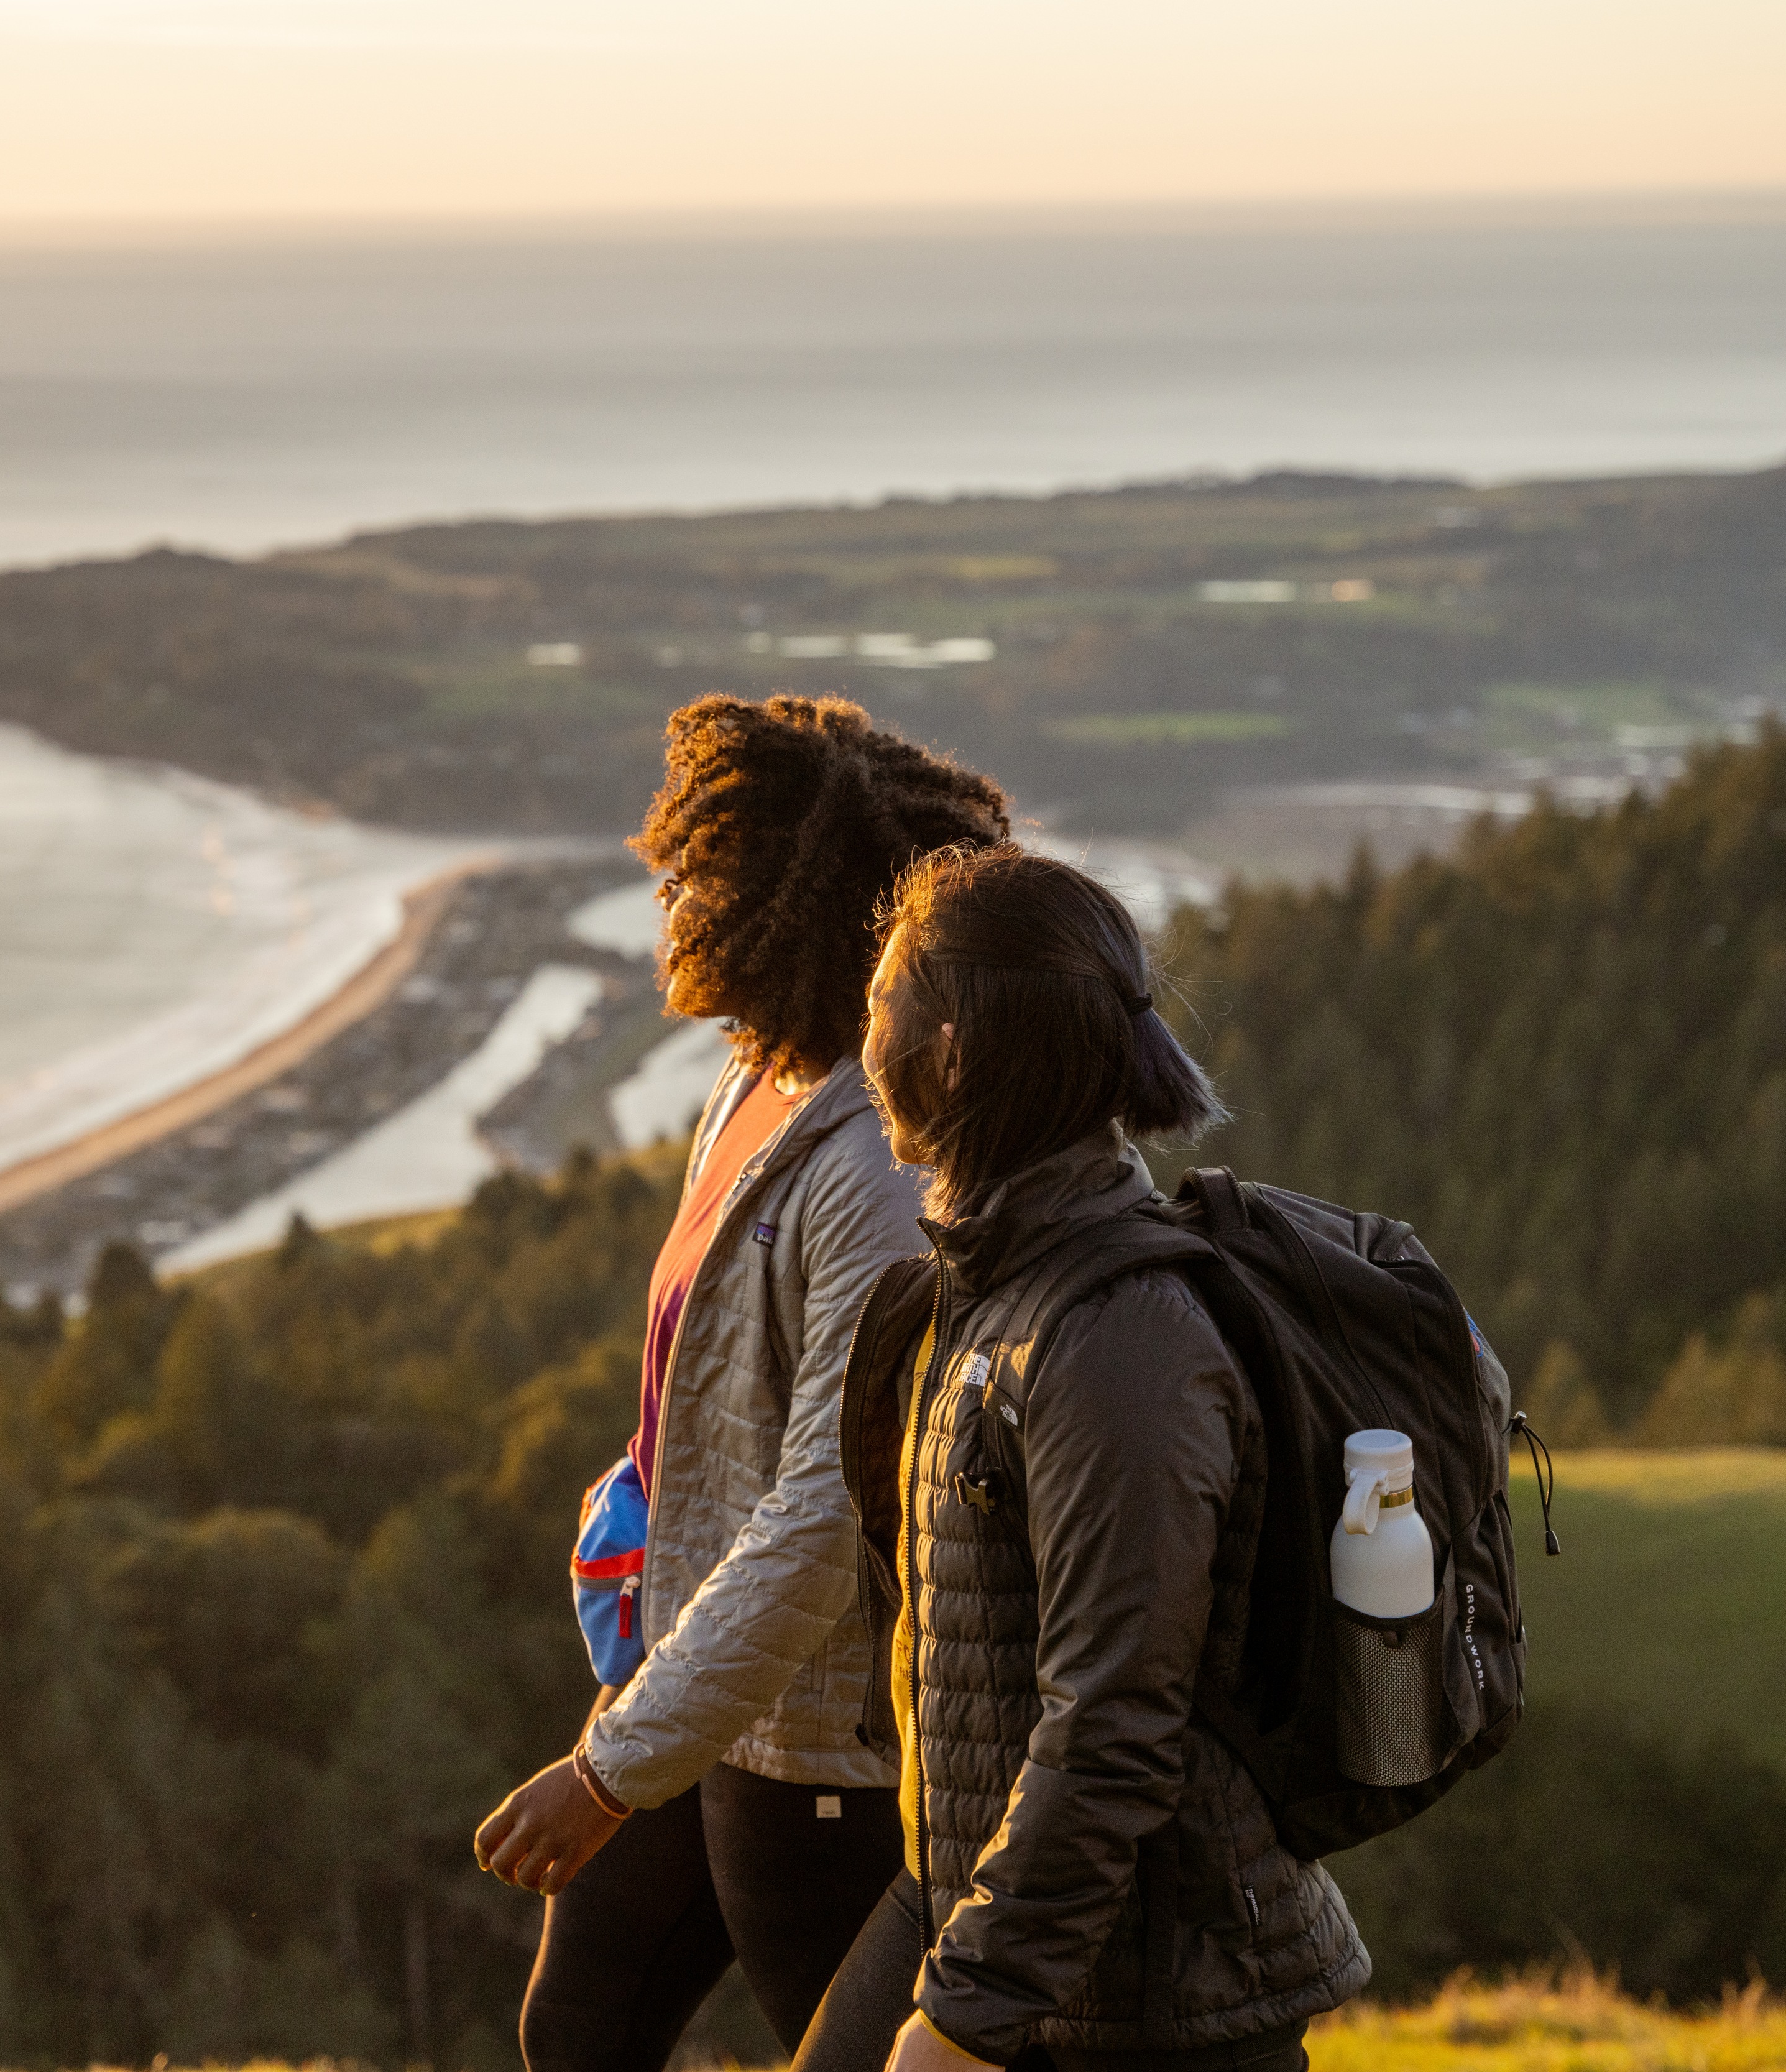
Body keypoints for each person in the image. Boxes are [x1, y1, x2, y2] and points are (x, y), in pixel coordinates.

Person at [475, 694, 1014, 2070]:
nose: (667, 895)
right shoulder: (750, 1073)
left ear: (788, 903)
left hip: (821, 1743)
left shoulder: (874, 1172)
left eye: (697, 871)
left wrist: (605, 1771)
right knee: (578, 2029)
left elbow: (824, 1520)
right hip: (692, 1675)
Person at [798, 847, 1373, 2072]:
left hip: (1155, 1990)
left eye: (880, 1004)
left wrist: (967, 2012)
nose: (866, 1044)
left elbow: (1112, 1714)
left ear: (950, 1047)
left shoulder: (1118, 1336)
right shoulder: (987, 1289)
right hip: (984, 1907)